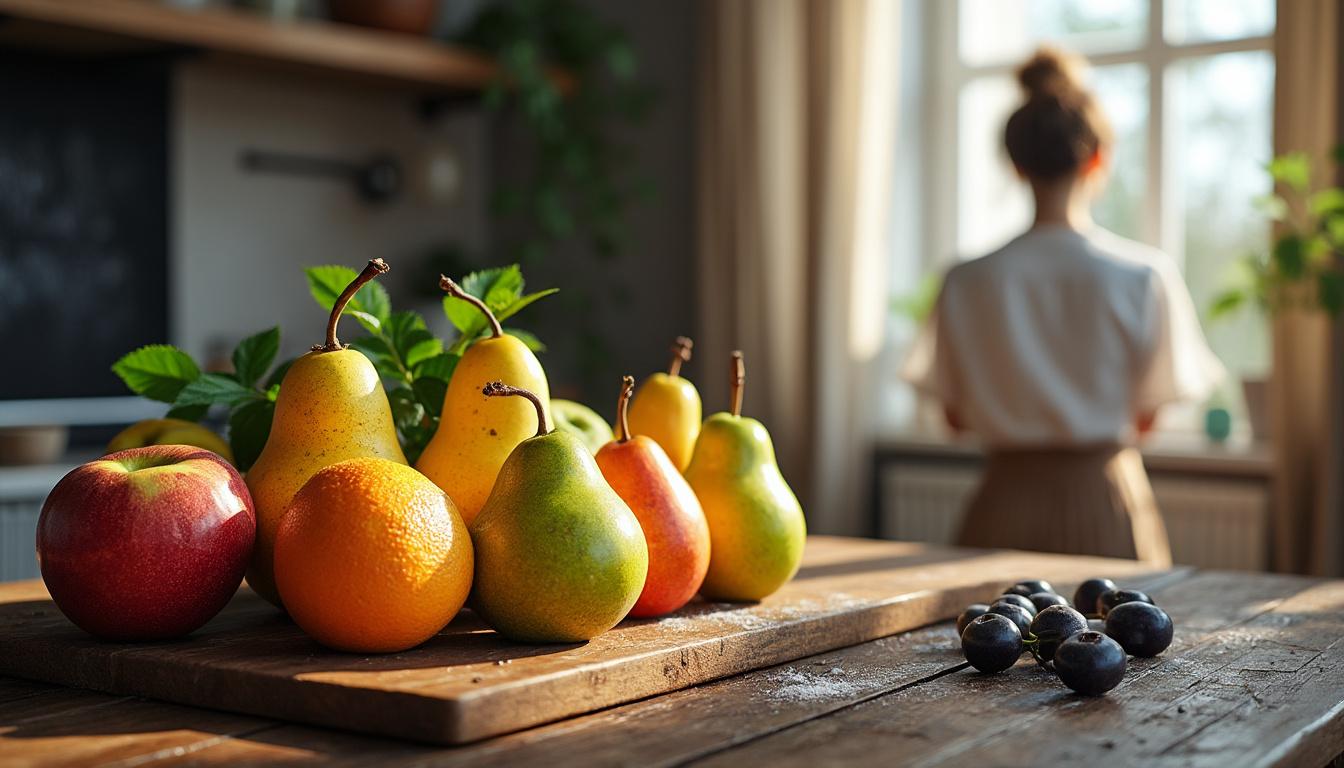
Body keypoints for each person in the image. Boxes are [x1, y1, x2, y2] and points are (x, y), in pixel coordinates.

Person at [902, 47, 1223, 565]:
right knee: (1120, 641)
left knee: (987, 643)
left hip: (1001, 509)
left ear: (1015, 161)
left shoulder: (965, 281)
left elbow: (955, 418)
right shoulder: (1144, 276)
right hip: (1107, 506)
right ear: (1098, 157)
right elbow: (1147, 418)